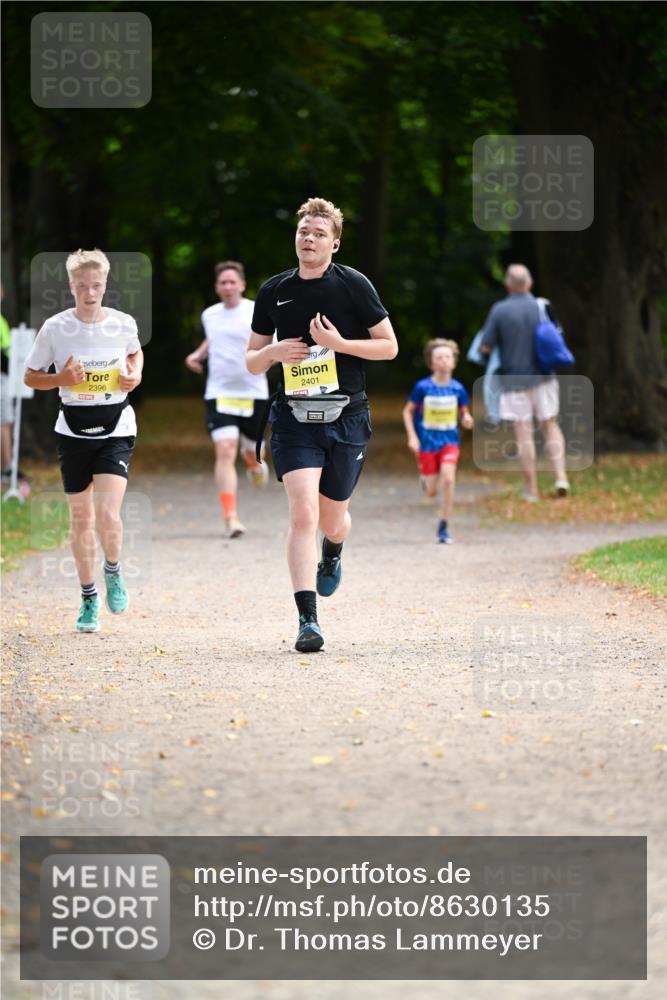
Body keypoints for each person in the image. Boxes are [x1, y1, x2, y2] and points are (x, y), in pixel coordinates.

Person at [246, 197, 398, 653]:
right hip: (294, 418)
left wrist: (338, 343)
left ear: (335, 242)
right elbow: (252, 361)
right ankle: (307, 620)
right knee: (302, 513)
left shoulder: (353, 284)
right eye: (302, 232)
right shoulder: (274, 290)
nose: (308, 239)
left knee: (333, 520)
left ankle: (333, 551)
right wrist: (274, 353)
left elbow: (389, 347)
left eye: (317, 234)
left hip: (346, 416)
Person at [24, 249, 144, 633]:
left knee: (108, 514)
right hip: (73, 431)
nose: (89, 293)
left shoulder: (123, 323)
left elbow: (135, 354)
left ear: (106, 284)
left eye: (96, 285)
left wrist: (134, 375)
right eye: (81, 286)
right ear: (70, 286)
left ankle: (113, 570)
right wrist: (61, 380)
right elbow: (31, 376)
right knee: (81, 518)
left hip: (116, 427)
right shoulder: (55, 328)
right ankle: (88, 597)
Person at [185, 260, 269, 538]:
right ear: (217, 287)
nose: (228, 286)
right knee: (225, 449)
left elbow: (271, 342)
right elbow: (215, 339)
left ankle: (253, 463)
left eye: (233, 281)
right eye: (223, 282)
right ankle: (231, 517)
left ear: (242, 285)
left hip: (254, 392)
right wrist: (198, 354)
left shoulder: (257, 310)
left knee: (254, 454)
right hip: (220, 392)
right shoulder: (210, 315)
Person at [479, 264, 570, 501]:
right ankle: (561, 478)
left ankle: (532, 490)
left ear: (508, 285)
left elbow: (485, 346)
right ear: (529, 284)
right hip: (544, 377)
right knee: (551, 426)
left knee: (523, 434)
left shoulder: (499, 310)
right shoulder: (543, 305)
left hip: (513, 380)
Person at [403, 339, 474, 544]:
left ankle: (444, 526)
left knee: (449, 479)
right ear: (431, 363)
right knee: (432, 491)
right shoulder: (422, 387)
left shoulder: (458, 389)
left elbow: (464, 413)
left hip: (449, 441)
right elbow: (407, 412)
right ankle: (426, 481)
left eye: (447, 357)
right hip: (426, 443)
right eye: (438, 358)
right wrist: (412, 436)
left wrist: (467, 419)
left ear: (454, 361)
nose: (443, 361)